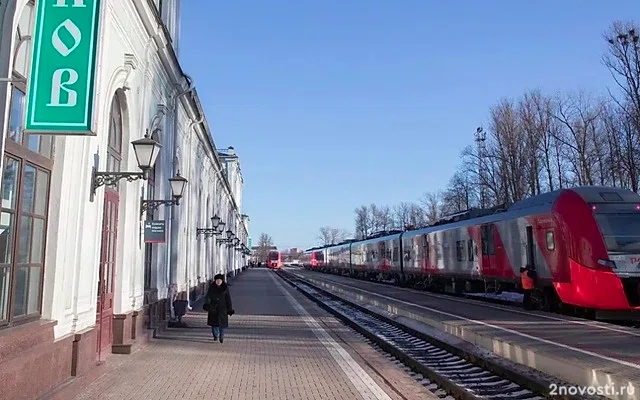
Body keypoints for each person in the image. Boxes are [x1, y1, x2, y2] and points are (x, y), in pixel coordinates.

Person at [204, 273, 234, 343]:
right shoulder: (211, 288)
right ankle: (215, 335)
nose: (218, 282)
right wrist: (207, 304)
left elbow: (228, 299)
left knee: (222, 324)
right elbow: (208, 297)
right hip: (213, 308)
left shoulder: (225, 288)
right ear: (215, 281)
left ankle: (221, 336)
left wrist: (229, 308)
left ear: (222, 281)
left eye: (220, 280)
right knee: (214, 324)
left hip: (222, 308)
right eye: (217, 280)